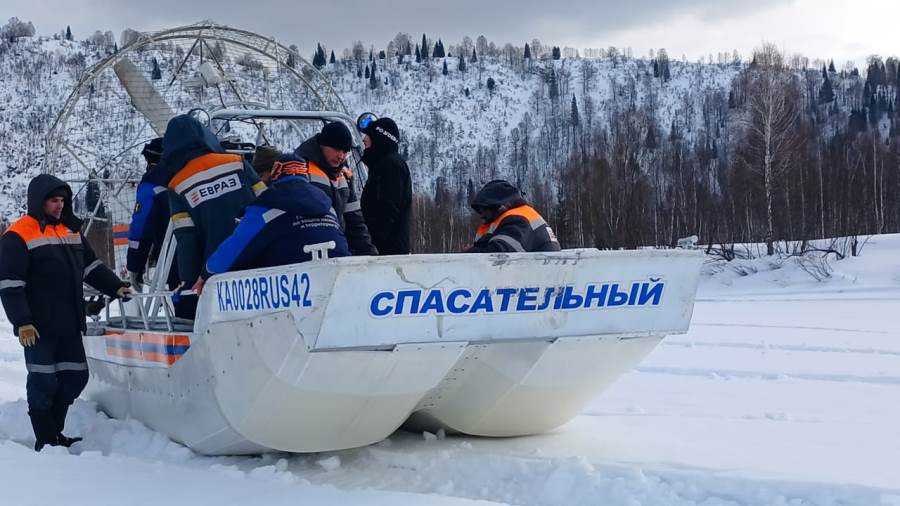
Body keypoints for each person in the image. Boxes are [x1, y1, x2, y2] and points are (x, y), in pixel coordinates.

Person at [0, 174, 132, 451]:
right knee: (44, 381)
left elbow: (91, 267)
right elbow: (10, 284)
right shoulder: (18, 235)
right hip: (37, 327)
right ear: (38, 201)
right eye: (53, 200)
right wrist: (22, 321)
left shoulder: (71, 231)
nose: (59, 205)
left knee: (75, 378)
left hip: (70, 323)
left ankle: (54, 434)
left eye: (62, 200)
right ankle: (46, 440)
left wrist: (115, 286)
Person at [193, 154, 350, 293]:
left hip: (290, 287)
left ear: (275, 176)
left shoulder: (265, 207)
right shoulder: (327, 205)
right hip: (338, 278)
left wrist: (207, 272)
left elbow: (234, 249)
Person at [159, 115, 266, 299]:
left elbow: (187, 239)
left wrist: (189, 282)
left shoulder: (177, 185)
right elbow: (266, 202)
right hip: (260, 257)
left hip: (217, 272)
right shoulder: (237, 162)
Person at [294, 122, 378, 256]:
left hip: (338, 249)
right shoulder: (299, 170)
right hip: (308, 251)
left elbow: (355, 221)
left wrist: (370, 254)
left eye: (345, 152)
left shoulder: (345, 176)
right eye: (337, 149)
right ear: (323, 145)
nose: (341, 156)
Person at [359, 116, 412, 255]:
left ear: (378, 139)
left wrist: (370, 245)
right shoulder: (384, 165)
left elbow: (387, 211)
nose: (364, 140)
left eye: (368, 135)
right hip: (386, 250)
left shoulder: (390, 166)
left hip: (386, 253)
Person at [466, 180, 561, 253]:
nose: (482, 215)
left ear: (495, 205)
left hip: (538, 271)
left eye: (484, 209)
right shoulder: (517, 216)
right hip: (538, 269)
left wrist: (469, 252)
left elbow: (499, 255)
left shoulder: (517, 219)